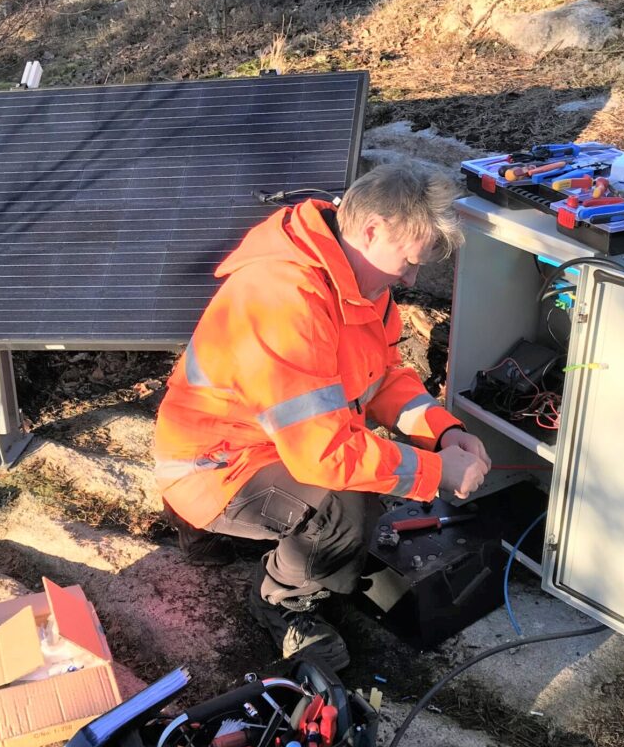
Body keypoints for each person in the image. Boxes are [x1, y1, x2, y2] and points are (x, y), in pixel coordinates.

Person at [154, 160, 491, 669]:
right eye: (409, 262)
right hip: (212, 466)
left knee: (361, 482)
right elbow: (325, 455)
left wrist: (443, 433)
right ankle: (284, 604)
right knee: (348, 508)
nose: (413, 277)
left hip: (268, 445)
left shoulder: (361, 285)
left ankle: (219, 532)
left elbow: (383, 378)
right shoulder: (284, 297)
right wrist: (436, 475)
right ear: (373, 231)